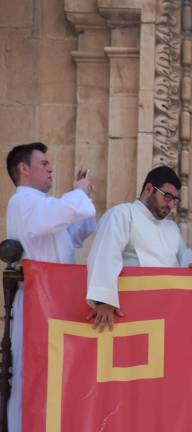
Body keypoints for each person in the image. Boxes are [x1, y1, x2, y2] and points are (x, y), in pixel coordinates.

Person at [5, 142, 96, 432]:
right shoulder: (23, 201)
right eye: (43, 163)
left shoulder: (44, 206)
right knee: (30, 377)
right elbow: (54, 216)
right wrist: (78, 192)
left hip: (56, 303)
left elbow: (74, 233)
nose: (50, 168)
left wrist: (83, 196)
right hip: (36, 302)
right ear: (24, 168)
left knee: (56, 378)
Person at [86, 166, 192, 332]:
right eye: (167, 196)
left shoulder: (171, 228)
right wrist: (104, 301)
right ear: (149, 189)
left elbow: (185, 258)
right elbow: (105, 254)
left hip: (168, 313)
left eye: (175, 200)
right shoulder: (123, 214)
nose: (171, 204)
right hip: (129, 312)